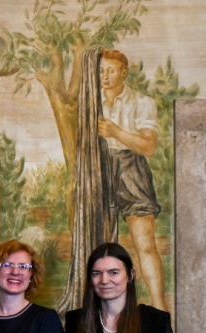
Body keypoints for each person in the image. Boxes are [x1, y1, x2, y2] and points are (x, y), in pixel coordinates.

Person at [98, 50, 167, 311]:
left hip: (132, 170)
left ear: (124, 72)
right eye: (101, 71)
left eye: (111, 70)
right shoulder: (92, 103)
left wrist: (115, 131)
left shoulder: (142, 102)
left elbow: (148, 146)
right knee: (100, 246)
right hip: (100, 170)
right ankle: (106, 311)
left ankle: (160, 310)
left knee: (144, 245)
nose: (105, 76)